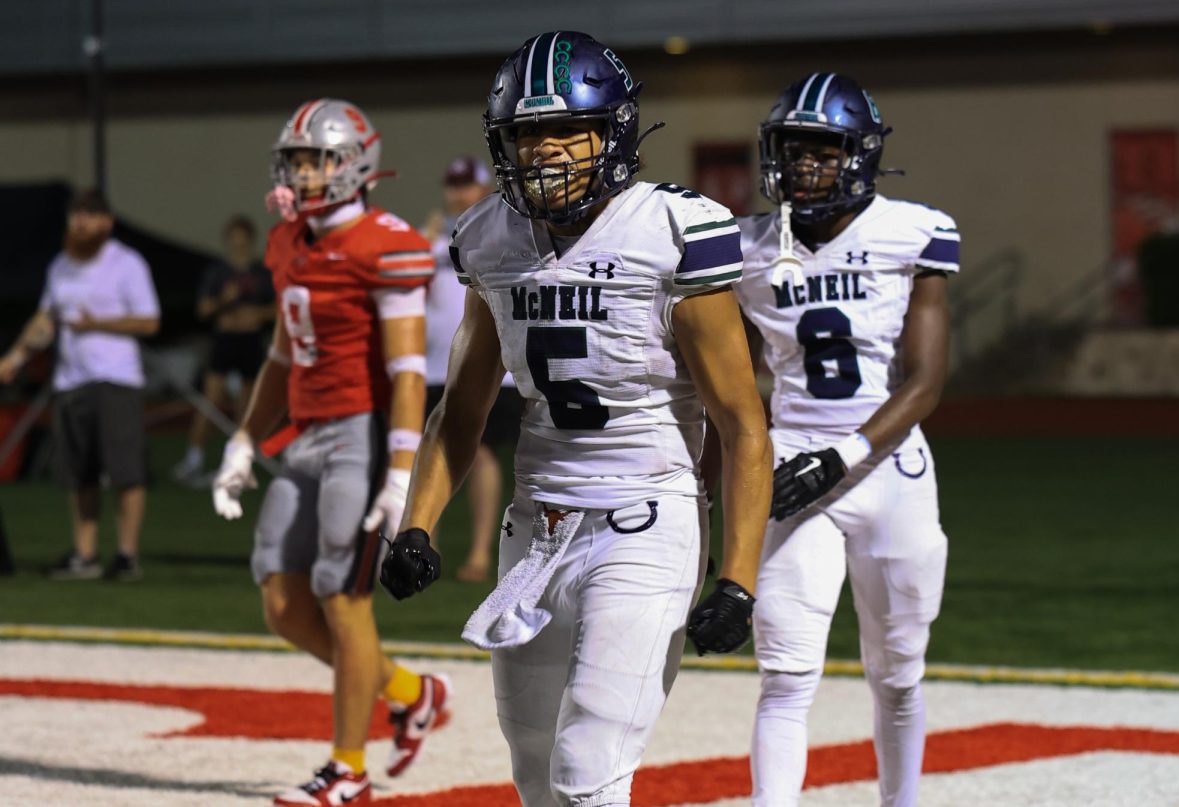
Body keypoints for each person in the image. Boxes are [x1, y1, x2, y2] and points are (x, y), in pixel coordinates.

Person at [378, 31, 772, 807]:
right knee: (532, 769)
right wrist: (417, 523)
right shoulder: (490, 238)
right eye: (527, 134)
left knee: (588, 767)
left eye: (566, 130)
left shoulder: (669, 233)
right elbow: (462, 408)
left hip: (645, 519)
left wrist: (739, 578)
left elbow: (742, 423)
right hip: (535, 527)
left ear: (614, 132)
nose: (546, 151)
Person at [208, 99, 451, 806]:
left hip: (364, 433)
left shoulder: (387, 242)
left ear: (355, 164)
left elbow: (409, 372)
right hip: (307, 433)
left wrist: (402, 470)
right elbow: (283, 354)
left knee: (342, 601)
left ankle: (349, 768)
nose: (302, 172)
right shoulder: (286, 241)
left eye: (316, 158)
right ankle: (412, 691)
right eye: (297, 159)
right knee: (282, 602)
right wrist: (246, 436)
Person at [733, 74, 957, 806]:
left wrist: (843, 456)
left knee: (897, 670)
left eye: (822, 149)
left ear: (858, 155)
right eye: (793, 149)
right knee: (787, 670)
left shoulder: (911, 231)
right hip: (796, 460)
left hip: (887, 468)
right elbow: (727, 385)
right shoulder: (748, 248)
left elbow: (923, 381)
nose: (803, 165)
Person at [0, 188, 160, 582]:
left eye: (88, 216)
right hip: (71, 380)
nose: (80, 223)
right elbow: (45, 319)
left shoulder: (126, 263)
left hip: (115, 378)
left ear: (106, 222)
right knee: (79, 473)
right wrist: (15, 357)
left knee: (126, 471)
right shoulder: (61, 266)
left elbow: (149, 321)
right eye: (75, 216)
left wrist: (97, 324)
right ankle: (85, 555)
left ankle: (126, 555)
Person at [422, 155, 522, 582]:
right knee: (432, 450)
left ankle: (481, 553)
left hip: (494, 370)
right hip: (433, 368)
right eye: (454, 185)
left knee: (480, 454)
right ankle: (423, 542)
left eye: (467, 185)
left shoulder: (503, 232)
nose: (459, 194)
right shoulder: (429, 240)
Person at [173, 215, 275, 481]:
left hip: (250, 341)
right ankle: (193, 458)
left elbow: (278, 309)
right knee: (210, 403)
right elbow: (203, 309)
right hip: (225, 341)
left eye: (243, 242)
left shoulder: (262, 273)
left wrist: (258, 314)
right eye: (234, 242)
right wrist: (223, 301)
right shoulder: (217, 272)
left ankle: (239, 462)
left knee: (246, 405)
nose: (238, 247)